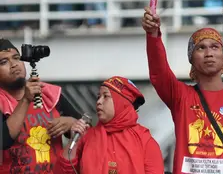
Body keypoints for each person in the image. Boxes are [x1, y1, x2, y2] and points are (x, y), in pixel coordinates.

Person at [142, 2, 223, 174]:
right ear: (192, 59)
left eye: (215, 47)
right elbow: (159, 73)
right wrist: (153, 34)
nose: (209, 53)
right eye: (201, 48)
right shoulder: (180, 96)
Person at [0, 39, 81, 173]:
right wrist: (26, 100)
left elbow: (88, 130)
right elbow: (3, 141)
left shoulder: (50, 93)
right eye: (4, 62)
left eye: (16, 58)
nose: (14, 64)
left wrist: (71, 123)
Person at [54, 76, 164, 174]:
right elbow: (61, 171)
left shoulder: (144, 140)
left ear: (121, 102)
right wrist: (74, 141)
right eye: (98, 97)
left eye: (105, 96)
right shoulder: (86, 136)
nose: (99, 102)